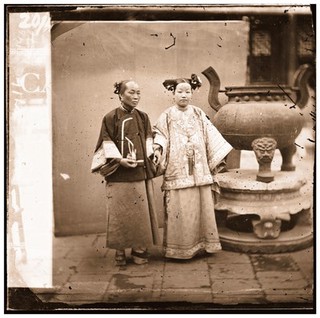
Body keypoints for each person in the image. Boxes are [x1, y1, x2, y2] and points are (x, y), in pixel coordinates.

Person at [152, 74, 233, 260]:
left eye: (187, 91)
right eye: (180, 91)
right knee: (181, 208)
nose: (184, 95)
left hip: (199, 168)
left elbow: (210, 134)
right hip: (177, 168)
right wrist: (158, 148)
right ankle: (180, 249)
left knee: (200, 205)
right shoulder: (167, 115)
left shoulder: (197, 113)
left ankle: (203, 245)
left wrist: (216, 159)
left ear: (192, 93)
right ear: (173, 93)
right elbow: (161, 135)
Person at [92, 79, 160, 267]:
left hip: (139, 172)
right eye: (131, 92)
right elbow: (106, 142)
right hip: (118, 174)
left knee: (140, 214)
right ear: (120, 94)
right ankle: (120, 251)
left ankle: (139, 250)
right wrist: (120, 160)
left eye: (138, 92)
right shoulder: (110, 117)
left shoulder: (143, 117)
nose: (136, 96)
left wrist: (151, 155)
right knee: (119, 214)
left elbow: (148, 140)